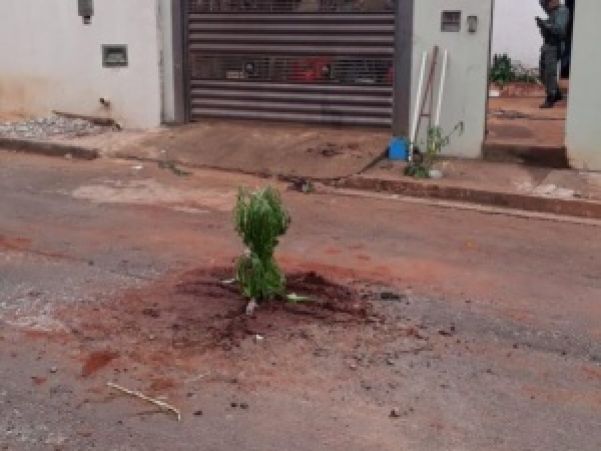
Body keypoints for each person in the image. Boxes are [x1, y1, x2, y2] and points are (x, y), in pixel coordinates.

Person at [537, 0, 570, 108]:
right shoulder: (552, 11)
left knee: (549, 73)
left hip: (555, 45)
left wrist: (546, 25)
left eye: (547, 2)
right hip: (547, 45)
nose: (545, 5)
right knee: (542, 72)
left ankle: (551, 96)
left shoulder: (562, 11)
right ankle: (556, 93)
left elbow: (560, 30)